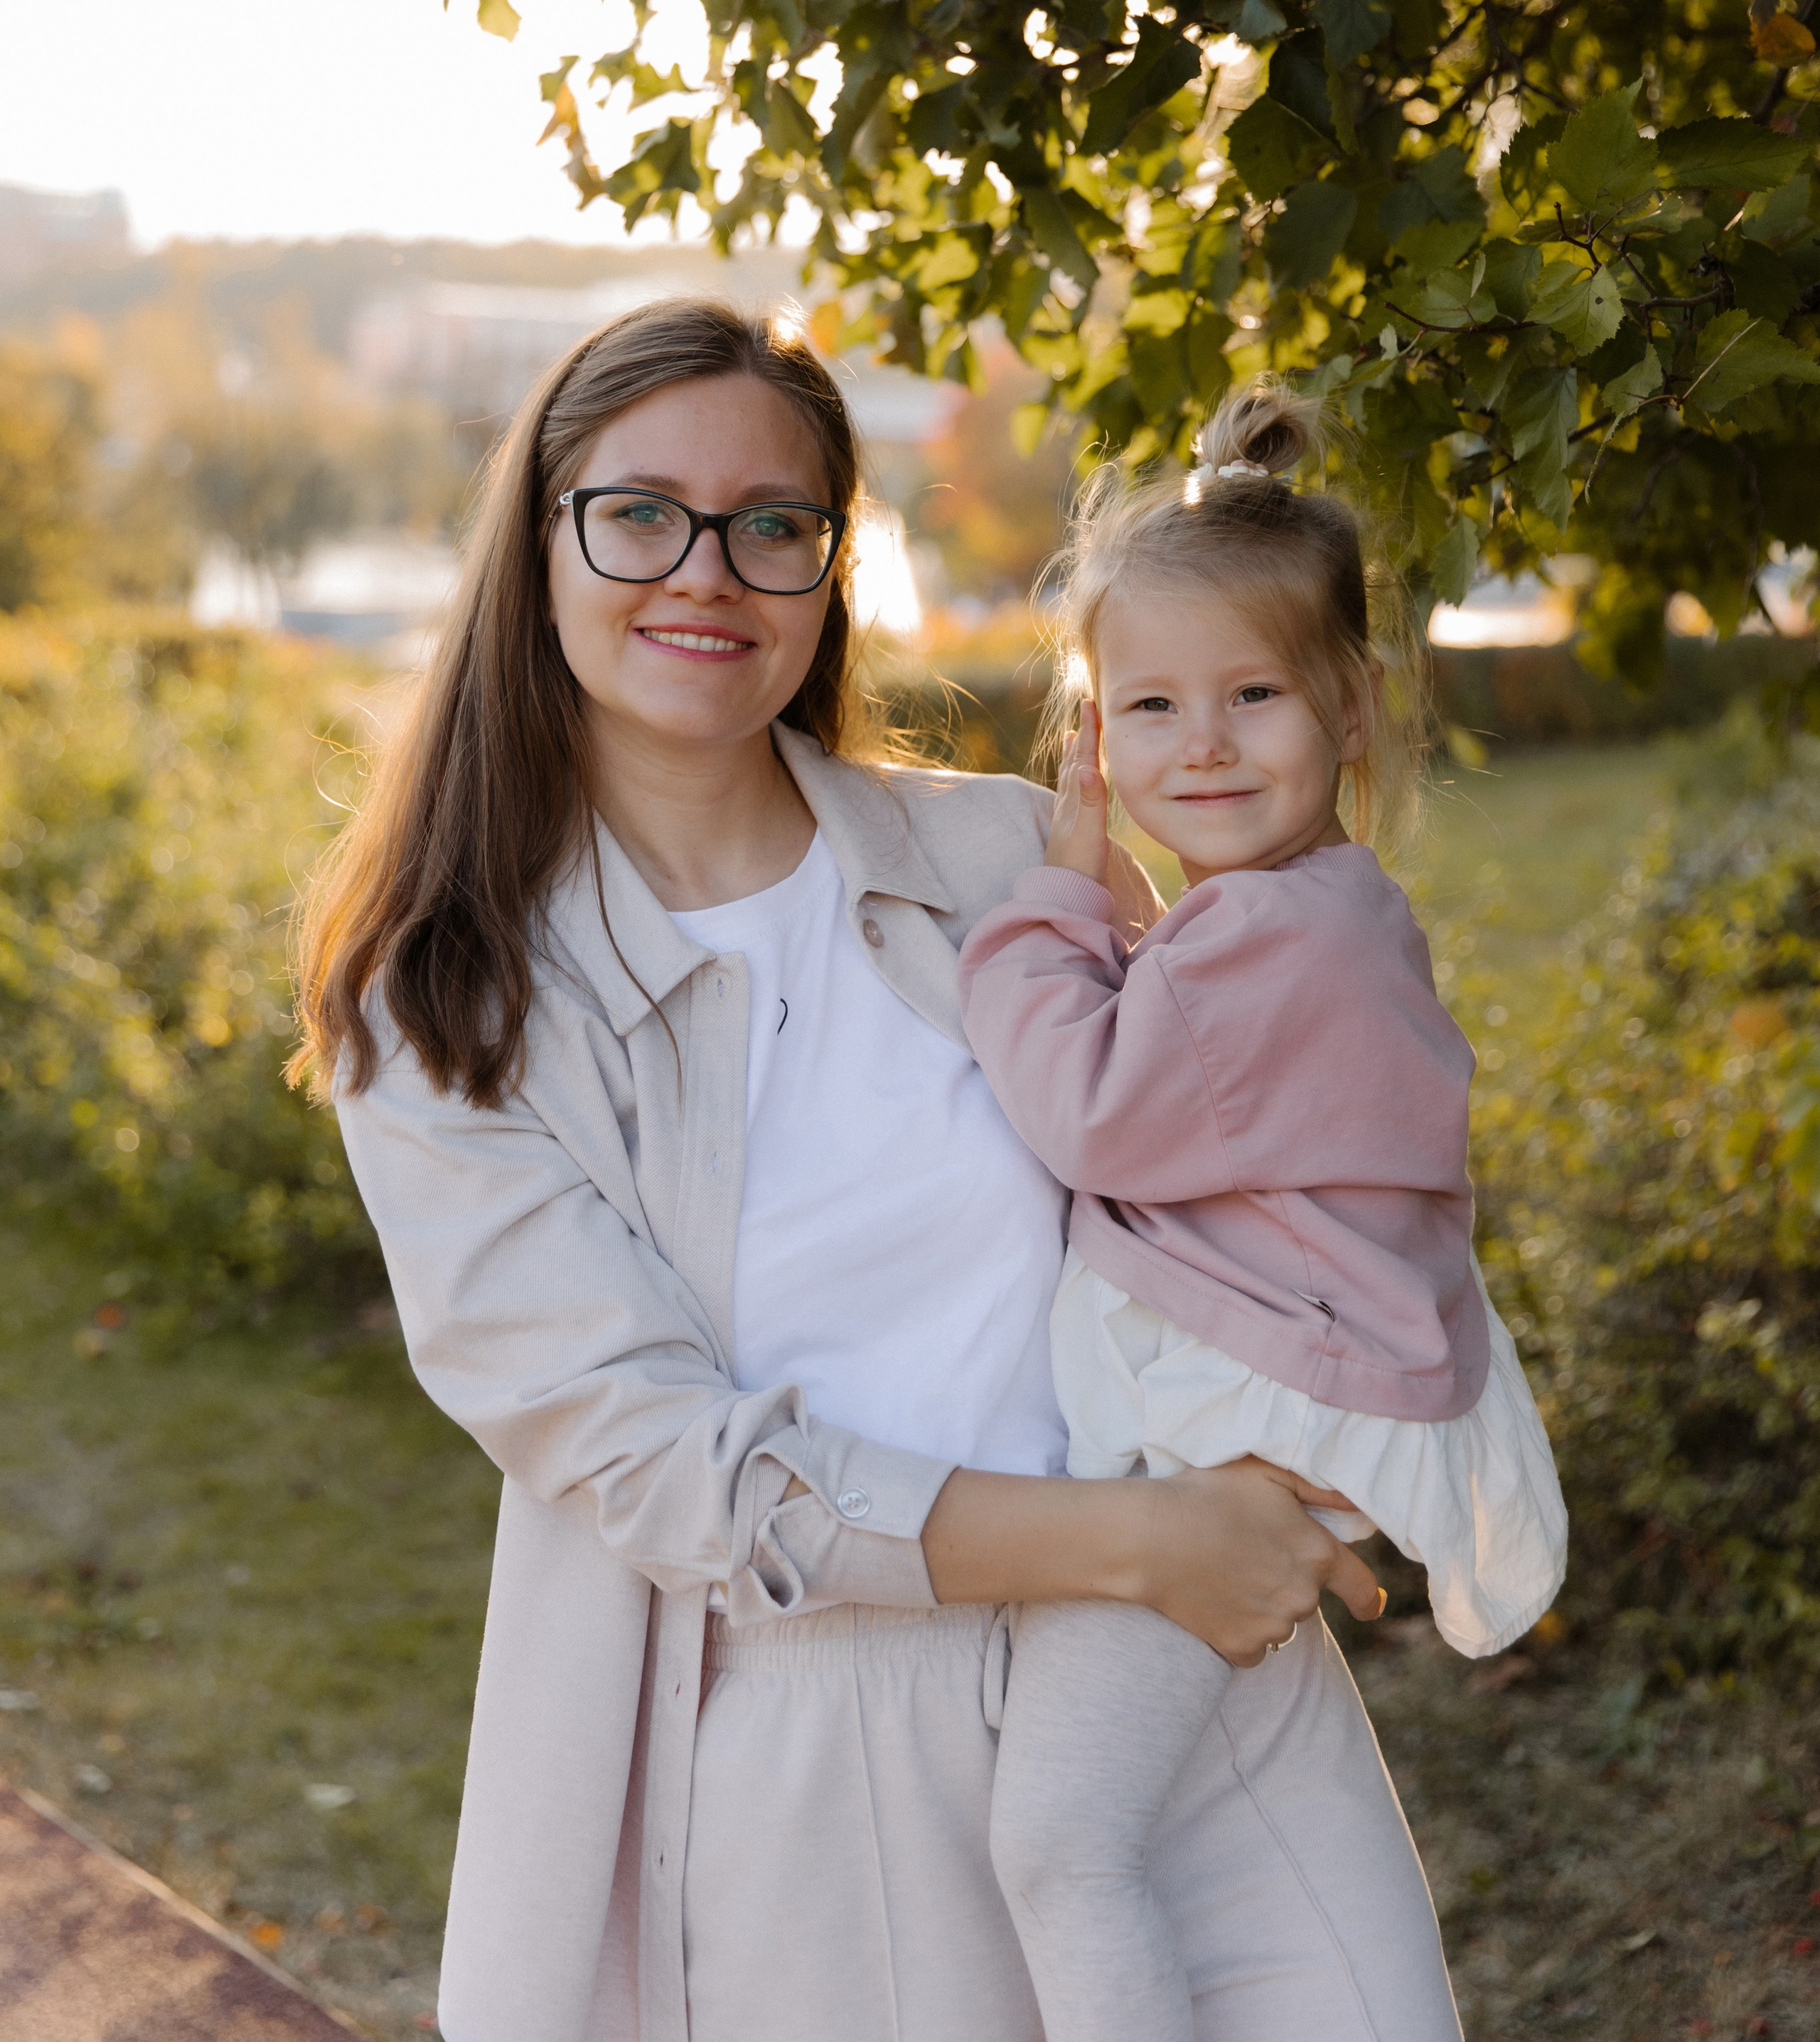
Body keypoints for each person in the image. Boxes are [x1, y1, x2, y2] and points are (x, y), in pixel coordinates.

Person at [292, 299, 1465, 2042]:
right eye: (640, 513)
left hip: (1183, 1679)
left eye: (774, 526)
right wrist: (1135, 1540)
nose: (708, 572)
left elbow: (1262, 1152)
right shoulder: (447, 1004)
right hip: (834, 1742)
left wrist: (1313, 1456)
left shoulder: (1002, 856)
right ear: (537, 544)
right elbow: (652, 1453)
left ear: (831, 568)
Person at [958, 375, 1568, 2042]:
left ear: (1350, 708)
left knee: (1060, 1845)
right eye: (1146, 708)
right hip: (1289, 1403)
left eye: (1250, 695)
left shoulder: (1258, 940)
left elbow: (1085, 1106)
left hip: (1229, 1449)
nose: (1200, 742)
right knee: (1136, 1815)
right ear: (1095, 727)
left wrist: (1046, 917)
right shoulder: (1318, 909)